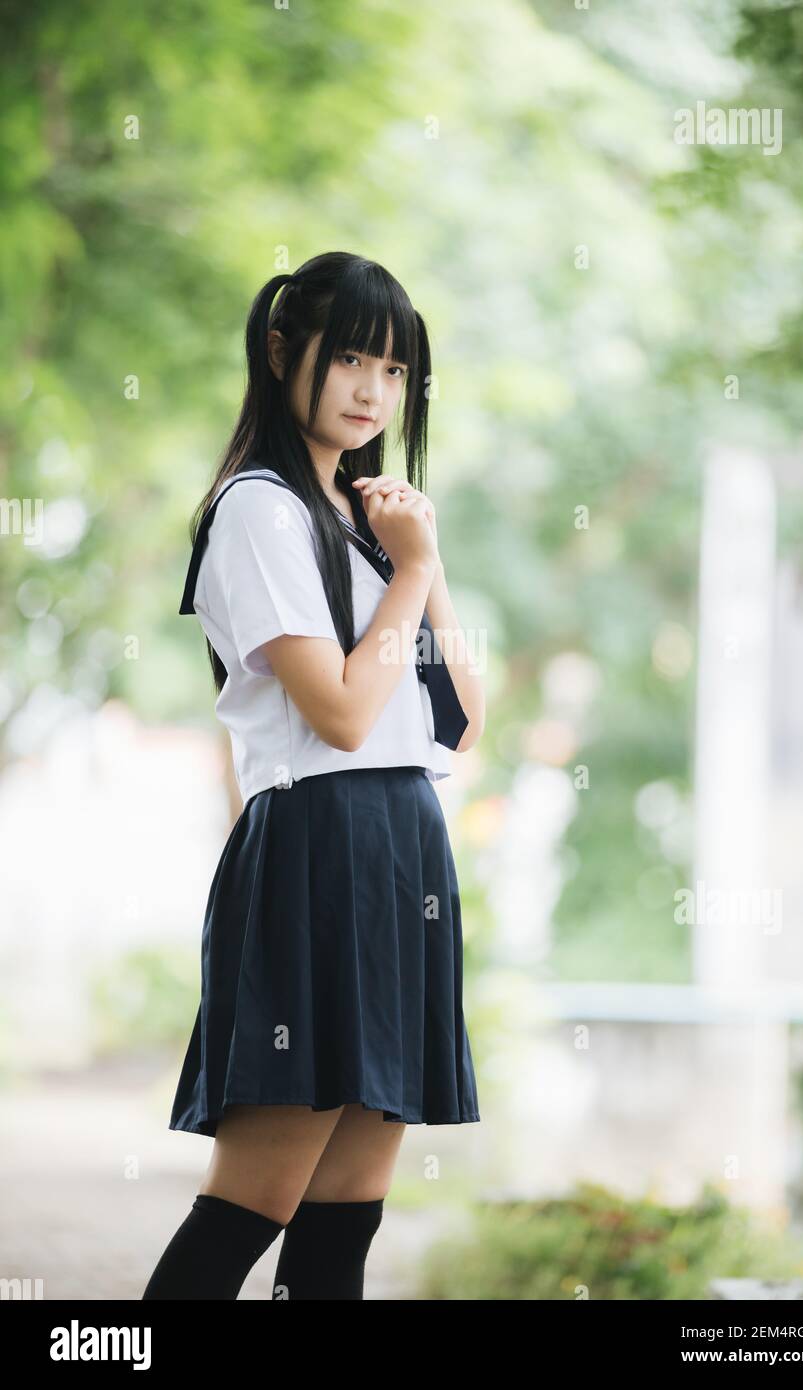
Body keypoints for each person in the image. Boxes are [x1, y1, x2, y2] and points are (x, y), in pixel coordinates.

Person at [141, 253, 484, 1301]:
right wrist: (413, 573)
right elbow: (338, 713)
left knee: (344, 1218)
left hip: (400, 844)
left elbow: (459, 716)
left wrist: (420, 563)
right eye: (349, 358)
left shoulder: (365, 521)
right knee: (252, 1200)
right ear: (283, 353)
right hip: (317, 847)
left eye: (394, 370)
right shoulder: (259, 510)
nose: (373, 391)